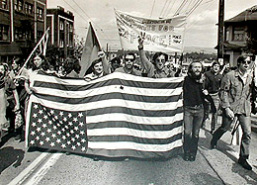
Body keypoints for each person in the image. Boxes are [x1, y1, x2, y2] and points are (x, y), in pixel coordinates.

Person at [210, 55, 256, 170]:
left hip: (244, 108)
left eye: (248, 62)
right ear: (239, 63)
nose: (246, 64)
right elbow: (223, 92)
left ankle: (243, 158)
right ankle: (215, 138)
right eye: (244, 62)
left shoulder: (251, 77)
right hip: (231, 106)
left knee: (248, 132)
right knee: (225, 128)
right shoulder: (230, 76)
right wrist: (226, 108)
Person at [183, 61, 215, 161]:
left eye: (199, 67)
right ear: (191, 69)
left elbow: (209, 98)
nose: (197, 69)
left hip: (199, 110)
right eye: (195, 67)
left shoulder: (204, 81)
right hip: (188, 109)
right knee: (187, 132)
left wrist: (206, 94)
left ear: (202, 69)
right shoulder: (186, 80)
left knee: (196, 134)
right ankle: (186, 151)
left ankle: (193, 152)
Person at [0, 63, 20, 141]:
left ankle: (16, 131)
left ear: (5, 71)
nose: (0, 71)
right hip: (1, 103)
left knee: (12, 119)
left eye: (2, 69)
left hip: (9, 101)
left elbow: (15, 92)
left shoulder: (8, 80)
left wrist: (17, 104)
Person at [204, 61, 223, 133]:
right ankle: (203, 122)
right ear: (212, 67)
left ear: (219, 68)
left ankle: (213, 128)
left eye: (218, 67)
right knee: (207, 111)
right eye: (215, 66)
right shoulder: (207, 74)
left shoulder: (220, 76)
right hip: (207, 95)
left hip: (216, 96)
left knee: (215, 112)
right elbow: (203, 84)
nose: (216, 68)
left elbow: (222, 86)